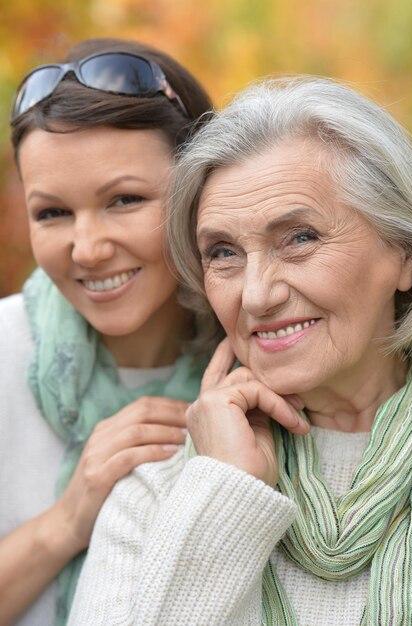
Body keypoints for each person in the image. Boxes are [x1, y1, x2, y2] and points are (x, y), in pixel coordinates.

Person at [68, 77, 412, 626]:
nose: (256, 295)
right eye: (223, 252)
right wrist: (224, 494)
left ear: (404, 253)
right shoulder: (154, 495)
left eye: (299, 237)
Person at [0, 37, 212, 626]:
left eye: (124, 199)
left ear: (199, 191)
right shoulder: (4, 352)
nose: (88, 250)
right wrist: (70, 518)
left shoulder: (266, 362)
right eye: (52, 213)